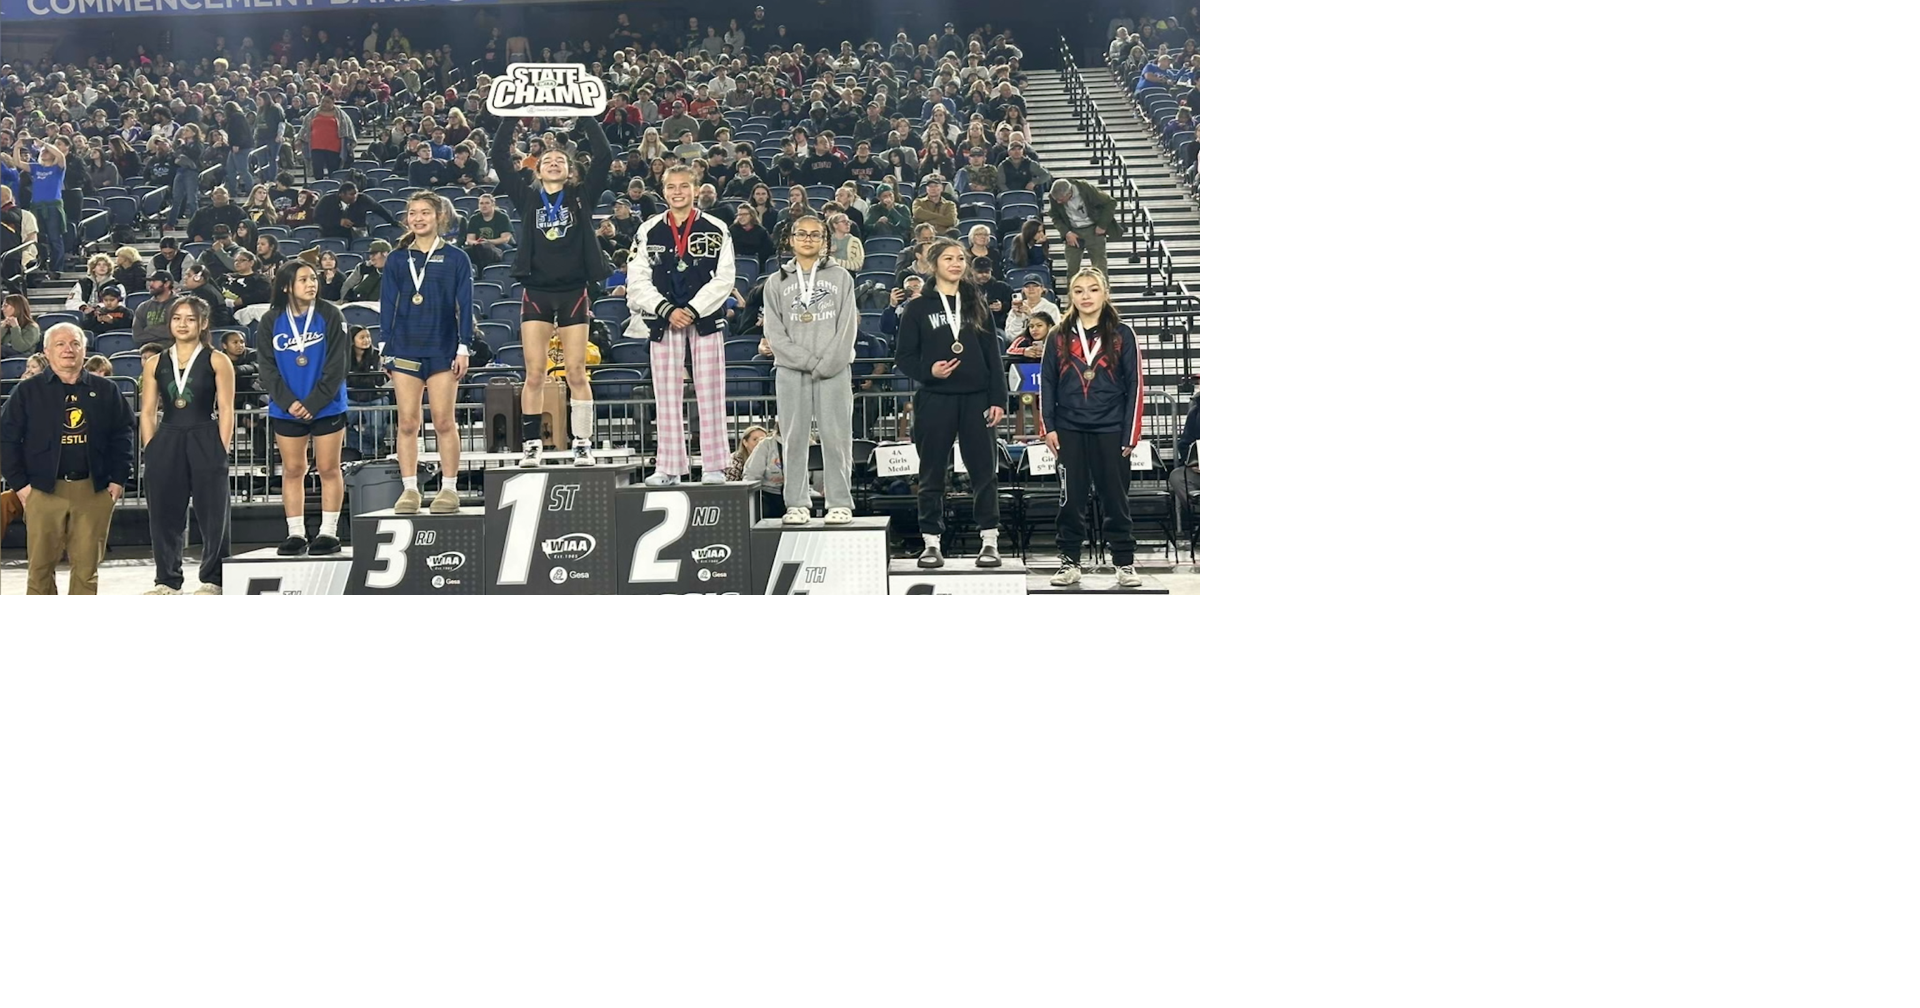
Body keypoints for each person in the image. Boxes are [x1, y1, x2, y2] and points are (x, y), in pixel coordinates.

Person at [490, 113, 612, 468]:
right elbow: (499, 156)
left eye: (560, 160)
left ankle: (583, 444)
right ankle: (532, 445)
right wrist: (510, 119)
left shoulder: (581, 195)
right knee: (534, 372)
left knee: (575, 371)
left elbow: (603, 156)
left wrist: (586, 119)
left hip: (574, 290)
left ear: (570, 170)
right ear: (537, 170)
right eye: (547, 161)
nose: (554, 162)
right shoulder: (526, 198)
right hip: (537, 291)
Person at [894, 238, 1007, 568]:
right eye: (948, 258)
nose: (957, 263)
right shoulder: (917, 307)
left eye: (961, 258)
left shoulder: (976, 303)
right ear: (933, 265)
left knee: (984, 473)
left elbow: (992, 355)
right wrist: (927, 371)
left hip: (976, 399)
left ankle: (989, 540)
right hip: (935, 398)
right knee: (931, 474)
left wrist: (998, 398)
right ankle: (931, 543)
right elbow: (904, 356)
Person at [0, 323, 135, 594]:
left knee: (87, 571)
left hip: (93, 490)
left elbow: (123, 436)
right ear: (47, 351)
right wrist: (20, 484)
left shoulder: (106, 390)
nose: (68, 350)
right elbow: (7, 439)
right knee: (39, 571)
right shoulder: (27, 391)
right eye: (60, 344)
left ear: (84, 350)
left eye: (75, 343)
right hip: (42, 489)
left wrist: (118, 479)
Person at [630, 164, 736, 485]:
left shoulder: (716, 227)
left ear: (695, 188)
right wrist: (665, 309)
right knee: (665, 393)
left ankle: (716, 465)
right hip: (663, 320)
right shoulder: (648, 229)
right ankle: (669, 467)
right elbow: (636, 280)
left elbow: (725, 278)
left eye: (684, 185)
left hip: (704, 318)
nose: (678, 192)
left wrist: (691, 308)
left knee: (711, 389)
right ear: (663, 191)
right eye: (672, 186)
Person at [1040, 268, 1144, 587]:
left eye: (1093, 289)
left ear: (1105, 293)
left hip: (1111, 429)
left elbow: (1135, 384)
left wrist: (1130, 433)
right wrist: (1050, 427)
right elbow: (1047, 383)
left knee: (1115, 498)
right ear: (1071, 296)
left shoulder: (1121, 333)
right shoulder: (1057, 334)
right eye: (1079, 290)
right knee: (1071, 499)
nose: (1086, 296)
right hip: (1069, 428)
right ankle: (1069, 562)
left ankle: (1124, 563)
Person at [762, 215, 859, 525]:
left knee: (837, 437)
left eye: (815, 235)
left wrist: (827, 364)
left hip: (834, 369)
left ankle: (839, 502)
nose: (807, 239)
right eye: (801, 234)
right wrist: (807, 362)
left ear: (824, 241)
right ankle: (797, 503)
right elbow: (775, 335)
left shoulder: (842, 277)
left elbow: (847, 328)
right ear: (790, 239)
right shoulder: (776, 281)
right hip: (792, 370)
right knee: (793, 438)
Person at [379, 192, 471, 513]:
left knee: (445, 421)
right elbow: (387, 305)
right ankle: (409, 490)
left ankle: (449, 488)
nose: (418, 218)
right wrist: (384, 347)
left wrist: (464, 346)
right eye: (413, 213)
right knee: (407, 422)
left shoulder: (457, 258)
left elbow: (466, 305)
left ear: (439, 217)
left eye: (425, 213)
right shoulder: (396, 259)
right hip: (404, 349)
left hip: (443, 348)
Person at [137, 294, 235, 594]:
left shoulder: (218, 359)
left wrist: (221, 447)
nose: (182, 324)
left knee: (213, 513)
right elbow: (149, 409)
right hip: (167, 437)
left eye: (190, 318)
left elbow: (227, 408)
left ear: (203, 323)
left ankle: (213, 579)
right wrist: (151, 446)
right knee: (164, 513)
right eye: (177, 318)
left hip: (205, 434)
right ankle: (167, 579)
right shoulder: (155, 362)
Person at [255, 261, 351, 554]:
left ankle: (329, 533)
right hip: (287, 408)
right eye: (304, 280)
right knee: (293, 469)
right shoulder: (270, 321)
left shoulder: (331, 314)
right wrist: (289, 402)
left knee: (328, 468)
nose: (312, 284)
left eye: (314, 278)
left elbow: (339, 364)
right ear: (286, 286)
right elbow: (266, 369)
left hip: (327, 406)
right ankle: (295, 533)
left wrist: (313, 402)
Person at [1049, 178, 1123, 277]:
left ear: (1069, 193)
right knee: (1072, 269)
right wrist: (1066, 232)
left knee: (1100, 268)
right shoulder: (1054, 196)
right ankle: (1072, 291)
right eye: (1056, 200)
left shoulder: (1085, 189)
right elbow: (1055, 216)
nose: (1058, 202)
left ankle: (1103, 291)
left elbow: (1110, 202)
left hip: (1093, 230)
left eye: (1061, 199)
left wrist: (1102, 225)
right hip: (1073, 232)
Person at [345, 326, 389, 458]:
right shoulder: (344, 356)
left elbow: (379, 379)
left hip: (374, 397)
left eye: (368, 337)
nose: (366, 340)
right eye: (362, 337)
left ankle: (370, 452)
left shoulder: (377, 355)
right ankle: (362, 450)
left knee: (377, 428)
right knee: (341, 425)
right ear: (352, 340)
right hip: (351, 397)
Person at [316, 182, 401, 240]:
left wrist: (392, 221)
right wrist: (338, 221)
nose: (355, 196)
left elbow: (379, 209)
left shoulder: (363, 199)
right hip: (331, 234)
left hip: (357, 235)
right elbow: (317, 217)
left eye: (356, 193)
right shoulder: (327, 200)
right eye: (351, 194)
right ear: (341, 194)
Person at [1170, 387, 1199, 545]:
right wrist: (1192, 462)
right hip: (1199, 470)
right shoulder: (1195, 413)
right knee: (1177, 476)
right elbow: (1185, 444)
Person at [1005, 277, 1062, 346]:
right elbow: (1010, 337)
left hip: (1046, 346)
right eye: (1027, 286)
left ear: (1042, 288)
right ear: (1023, 290)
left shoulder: (1051, 308)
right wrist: (1018, 317)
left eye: (1035, 286)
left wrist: (1031, 315)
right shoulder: (1015, 309)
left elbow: (1055, 333)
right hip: (1021, 347)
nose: (1031, 289)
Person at [132, 272, 177, 346]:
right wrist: (162, 331)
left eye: (154, 281)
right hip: (146, 349)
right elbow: (137, 336)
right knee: (117, 356)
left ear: (167, 284)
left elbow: (174, 332)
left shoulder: (180, 305)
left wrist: (149, 329)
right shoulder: (143, 307)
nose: (151, 284)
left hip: (172, 349)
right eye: (150, 281)